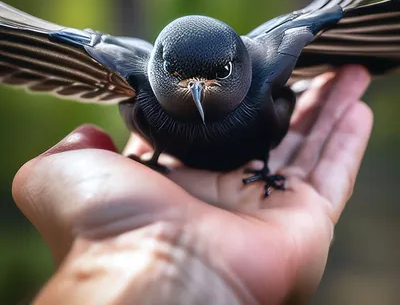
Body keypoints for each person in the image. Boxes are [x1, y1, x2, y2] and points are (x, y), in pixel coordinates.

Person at [12, 65, 372, 305]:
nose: (196, 89)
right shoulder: (138, 78)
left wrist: (121, 252)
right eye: (179, 76)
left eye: (220, 74)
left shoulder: (261, 74)